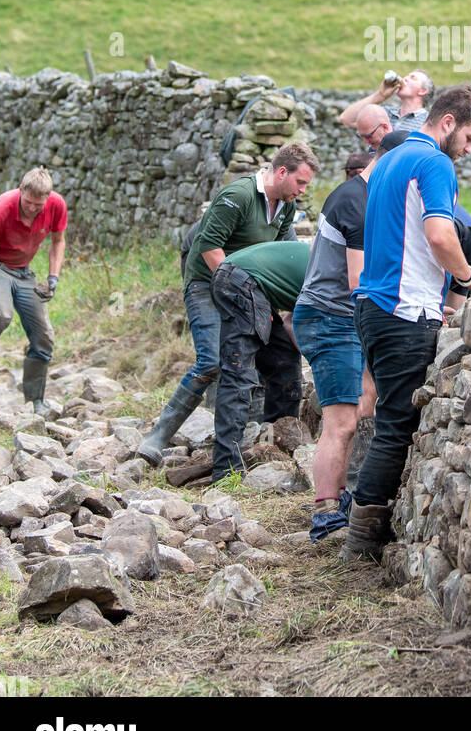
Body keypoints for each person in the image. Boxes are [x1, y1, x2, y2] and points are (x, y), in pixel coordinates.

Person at [341, 84, 471, 563]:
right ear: (447, 122)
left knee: (388, 414)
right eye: (469, 138)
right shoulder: (433, 162)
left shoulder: (387, 160)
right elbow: (439, 233)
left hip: (374, 302)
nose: (469, 150)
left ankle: (359, 526)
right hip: (402, 310)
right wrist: (470, 277)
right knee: (395, 424)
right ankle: (362, 542)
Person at [138, 143, 319, 465]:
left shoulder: (286, 207)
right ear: (281, 172)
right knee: (211, 360)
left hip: (249, 288)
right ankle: (158, 437)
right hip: (207, 283)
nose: (302, 191)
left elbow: (281, 256)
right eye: (300, 183)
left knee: (280, 355)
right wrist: (235, 290)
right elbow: (208, 246)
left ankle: (270, 439)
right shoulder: (239, 197)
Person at [292, 134, 411, 543]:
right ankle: (325, 511)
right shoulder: (358, 202)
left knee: (364, 401)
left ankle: (342, 495)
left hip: (338, 315)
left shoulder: (360, 194)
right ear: (391, 161)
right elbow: (360, 280)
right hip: (332, 318)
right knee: (340, 422)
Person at [209, 240, 311, 480]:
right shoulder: (345, 276)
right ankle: (226, 470)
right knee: (239, 372)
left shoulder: (338, 267)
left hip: (252, 284)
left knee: (284, 360)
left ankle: (275, 447)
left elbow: (290, 323)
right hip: (239, 280)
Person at [0, 167, 67, 413]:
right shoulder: (1, 209)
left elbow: (58, 241)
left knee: (43, 337)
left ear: (48, 198)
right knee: (1, 315)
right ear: (21, 191)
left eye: (38, 205)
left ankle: (35, 401)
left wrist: (53, 278)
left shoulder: (56, 205)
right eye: (28, 202)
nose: (32, 208)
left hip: (23, 271)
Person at [338, 70, 435, 136]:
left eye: (413, 78)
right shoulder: (383, 113)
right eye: (406, 76)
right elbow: (346, 119)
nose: (405, 78)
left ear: (422, 91)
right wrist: (380, 96)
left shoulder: (428, 121)